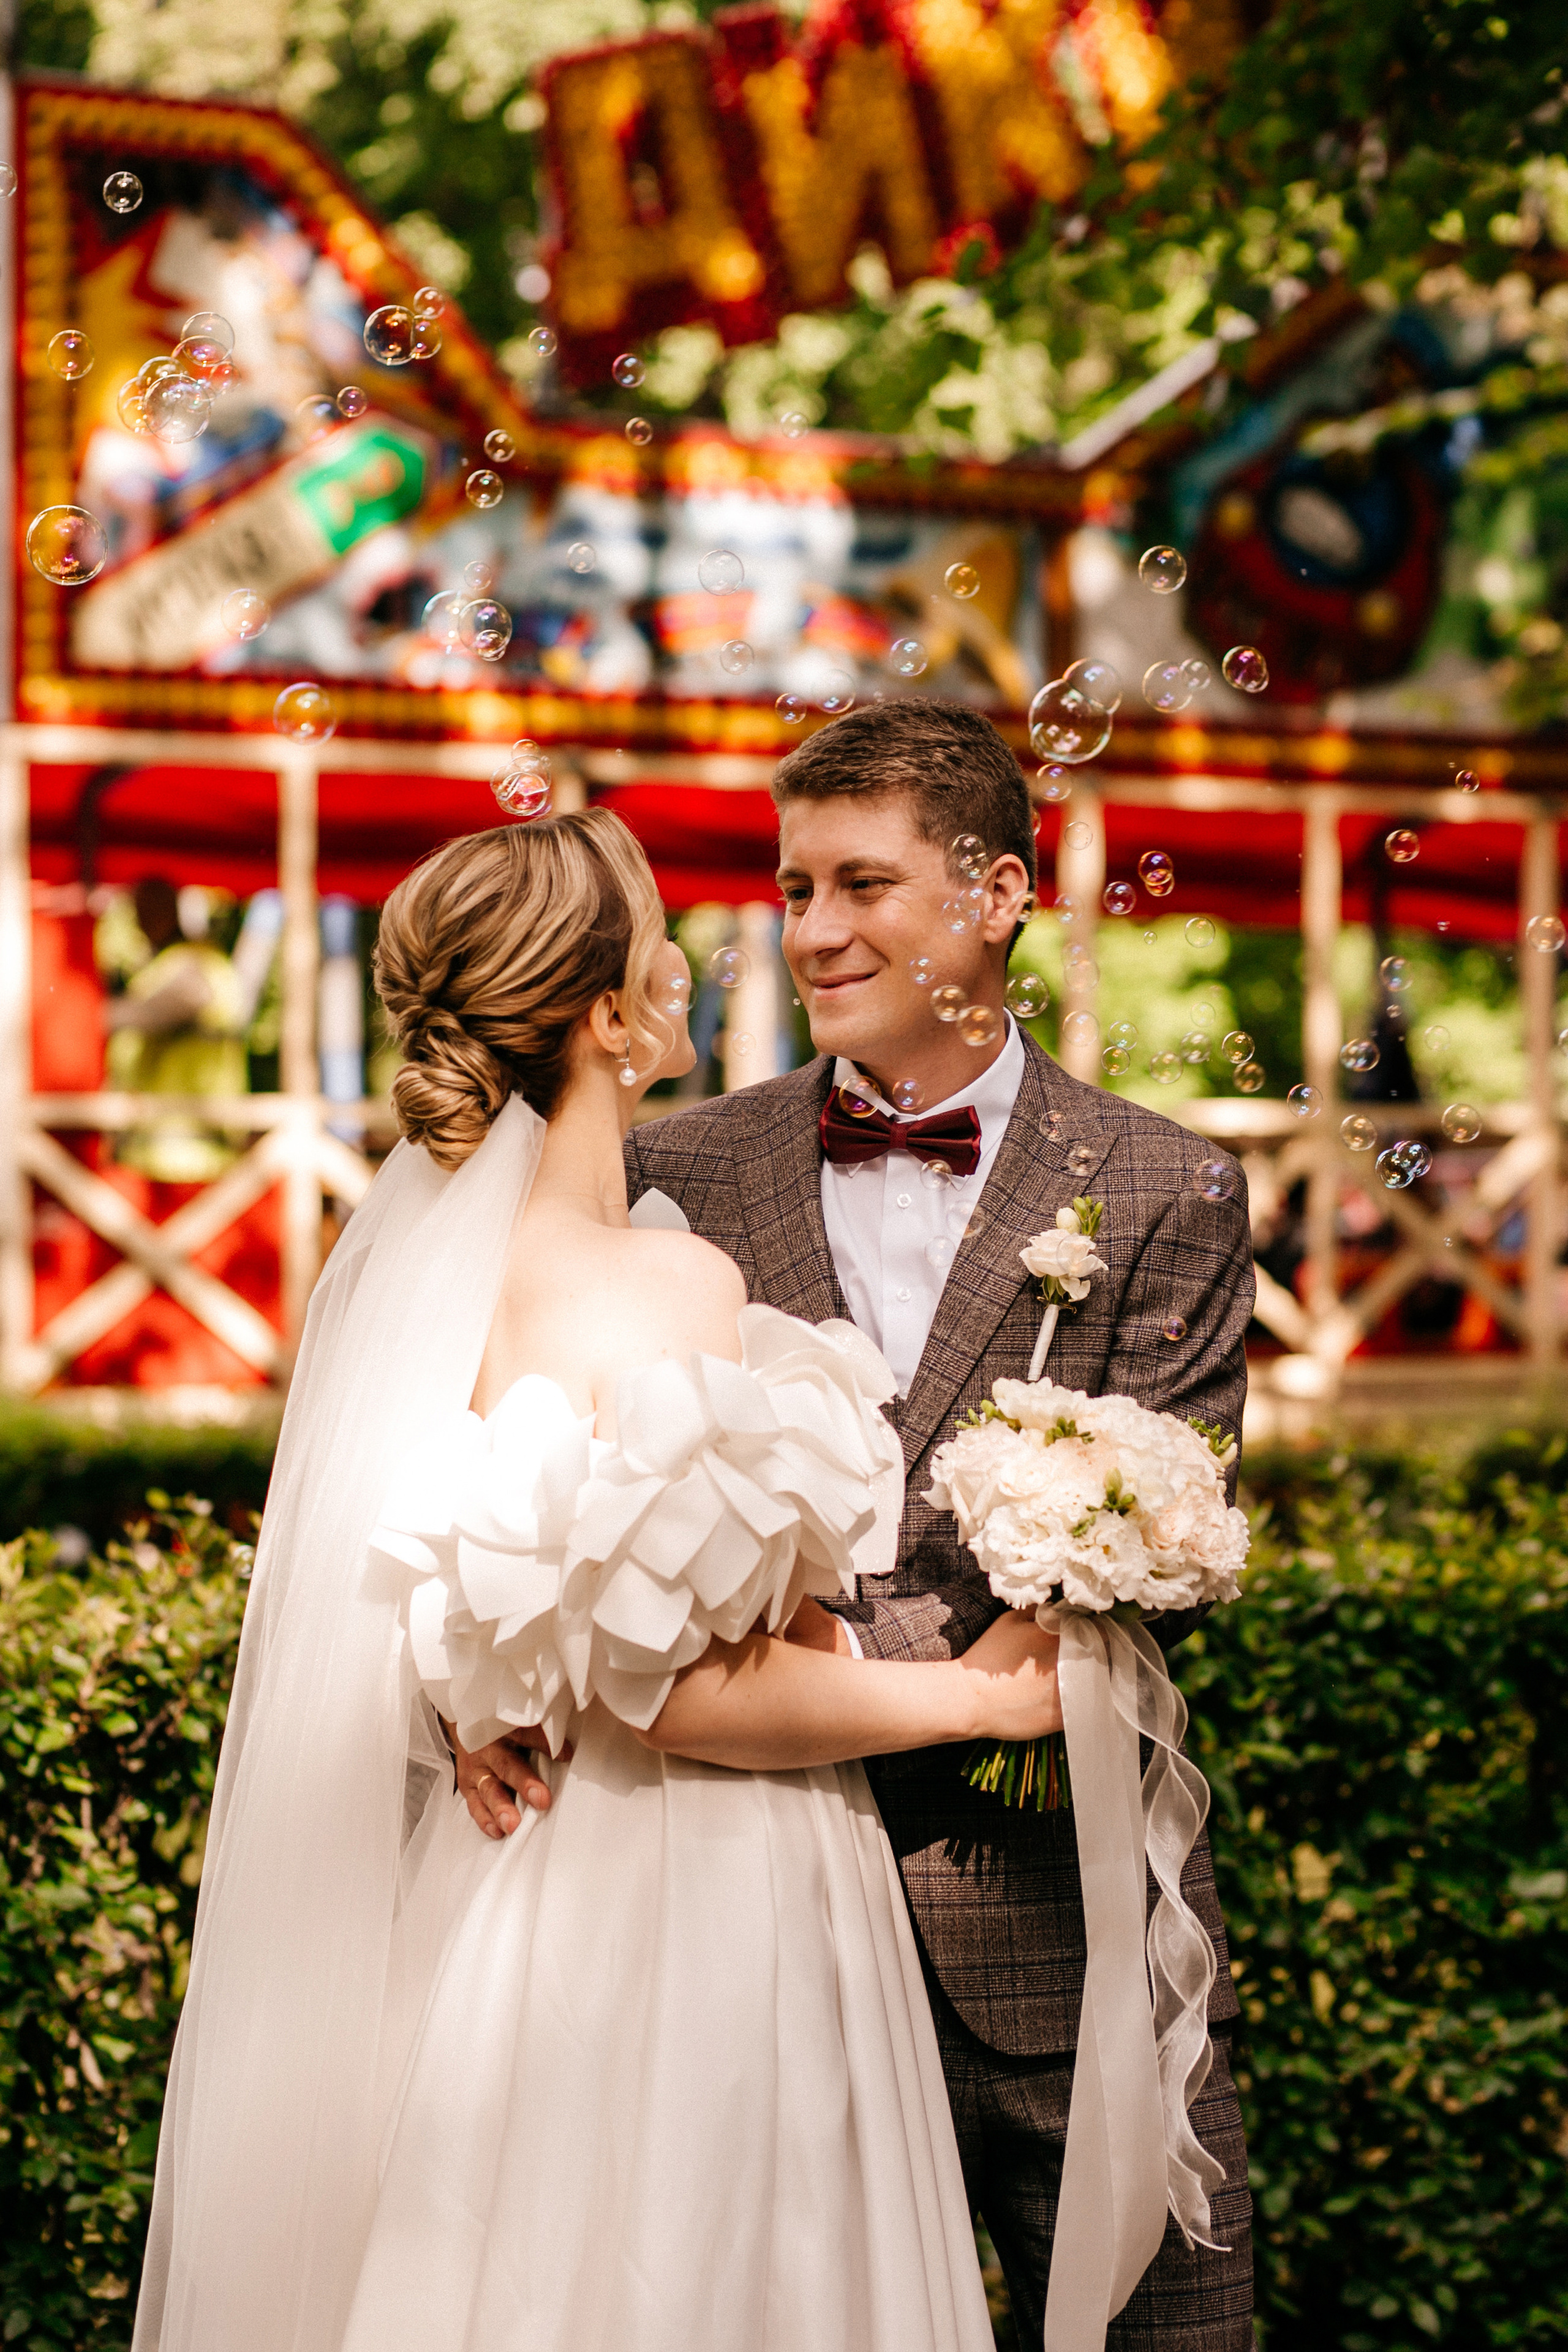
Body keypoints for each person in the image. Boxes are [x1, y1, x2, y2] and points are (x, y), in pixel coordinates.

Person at [131, 807, 1063, 2352]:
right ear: (599, 1011)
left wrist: (468, 1698)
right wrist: (972, 1695)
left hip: (518, 1893)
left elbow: (438, 1597)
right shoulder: (660, 1279)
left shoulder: (446, 1283)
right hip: (695, 1901)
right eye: (656, 931)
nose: (693, 951)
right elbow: (687, 1692)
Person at [602, 699, 1259, 2349]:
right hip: (739, 1917)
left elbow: (1157, 1558)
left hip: (1057, 1927)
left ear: (997, 895)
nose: (812, 930)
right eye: (793, 884)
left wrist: (791, 1655)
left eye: (863, 885)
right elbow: (597, 1507)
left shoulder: (1168, 1185)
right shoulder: (678, 1169)